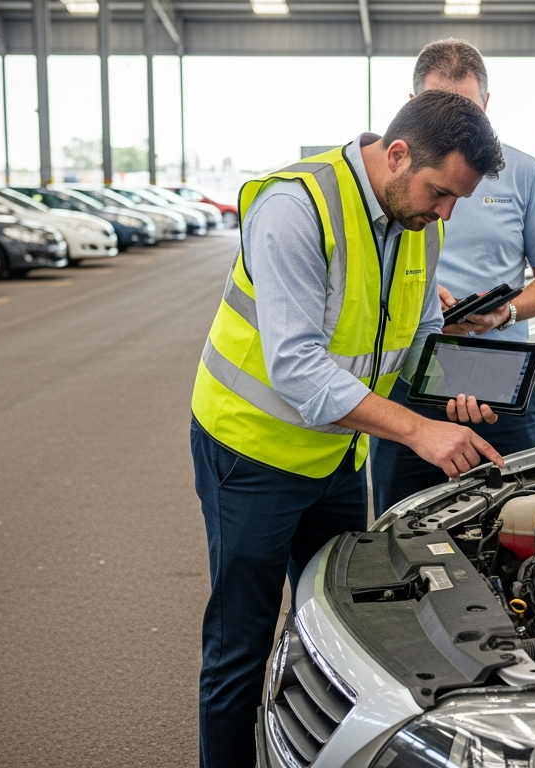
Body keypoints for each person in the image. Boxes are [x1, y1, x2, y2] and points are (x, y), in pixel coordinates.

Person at [189, 89, 506, 768]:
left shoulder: (421, 220)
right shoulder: (294, 208)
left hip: (338, 452)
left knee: (337, 634)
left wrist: (453, 395)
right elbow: (297, 368)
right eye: (440, 192)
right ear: (396, 155)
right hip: (252, 453)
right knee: (240, 647)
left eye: (455, 200)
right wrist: (417, 433)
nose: (445, 211)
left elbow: (416, 336)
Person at [371, 39, 535, 514]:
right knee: (398, 530)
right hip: (407, 384)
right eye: (433, 105)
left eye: (464, 108)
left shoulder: (522, 173)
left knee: (522, 523)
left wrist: (506, 312)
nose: (452, 122)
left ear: (486, 105)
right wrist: (419, 296)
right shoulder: (390, 175)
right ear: (410, 107)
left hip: (501, 384)